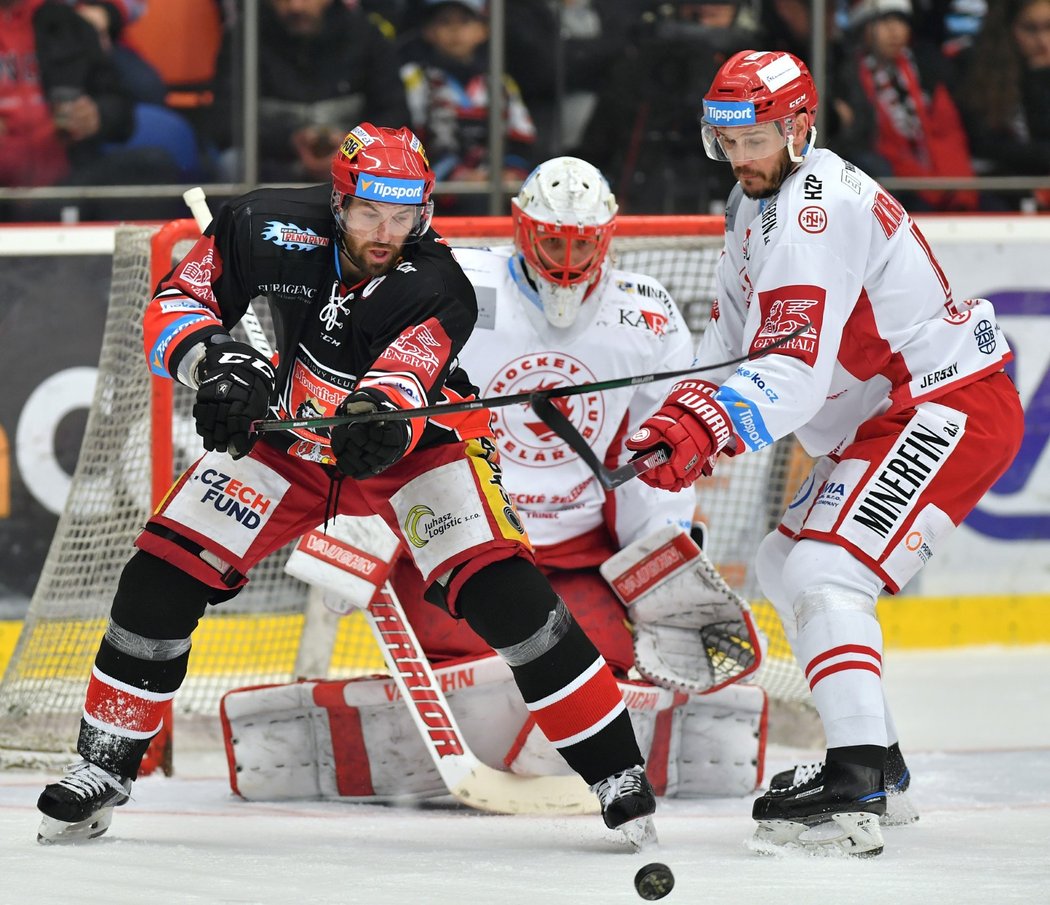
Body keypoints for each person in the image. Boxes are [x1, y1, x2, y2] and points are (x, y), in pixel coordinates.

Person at [34, 123, 656, 848]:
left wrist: (382, 414)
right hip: (290, 440)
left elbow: (406, 371)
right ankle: (102, 766)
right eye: (368, 214)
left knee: (509, 599)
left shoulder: (437, 280)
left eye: (402, 216)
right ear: (338, 200)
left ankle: (617, 774)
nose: (386, 233)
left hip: (413, 446)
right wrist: (216, 362)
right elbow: (176, 302)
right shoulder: (261, 224)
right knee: (159, 576)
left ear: (423, 210)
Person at [624, 49, 1023, 856]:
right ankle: (883, 763)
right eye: (726, 142)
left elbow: (793, 377)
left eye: (757, 139)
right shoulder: (751, 205)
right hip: (892, 417)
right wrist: (677, 418)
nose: (741, 159)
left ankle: (856, 778)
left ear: (800, 126)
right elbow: (727, 345)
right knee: (781, 561)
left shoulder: (814, 208)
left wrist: (708, 426)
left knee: (823, 572)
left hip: (942, 402)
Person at [208, 0, 410, 182]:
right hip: (273, 161)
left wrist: (350, 144)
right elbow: (224, 121)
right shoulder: (246, 39)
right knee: (232, 163)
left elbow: (395, 115)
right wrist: (290, 141)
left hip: (357, 163)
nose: (296, 6)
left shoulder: (367, 37)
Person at [398, 0, 537, 213]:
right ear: (428, 31)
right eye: (444, 22)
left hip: (497, 184)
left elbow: (521, 138)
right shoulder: (414, 78)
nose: (455, 31)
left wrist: (510, 171)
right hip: (435, 189)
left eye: (465, 21)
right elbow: (407, 138)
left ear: (483, 30)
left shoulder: (500, 82)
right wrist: (457, 174)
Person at [843, 0, 979, 211]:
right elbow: (867, 141)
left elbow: (949, 135)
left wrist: (957, 191)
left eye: (900, 21)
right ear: (863, 27)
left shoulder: (928, 69)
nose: (895, 30)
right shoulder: (848, 77)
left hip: (940, 187)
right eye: (884, 21)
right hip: (890, 190)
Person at [950, 0, 1050, 210]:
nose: (1043, 41)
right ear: (1008, 29)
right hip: (999, 189)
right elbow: (987, 145)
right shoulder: (979, 73)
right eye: (1030, 29)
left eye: (1049, 27)